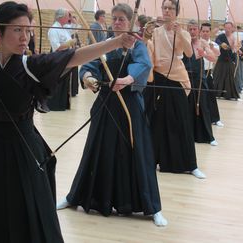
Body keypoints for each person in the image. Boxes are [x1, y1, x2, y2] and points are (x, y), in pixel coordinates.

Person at [0, 1, 136, 242]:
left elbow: (73, 57)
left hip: (23, 150)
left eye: (28, 31)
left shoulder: (31, 66)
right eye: (18, 30)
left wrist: (117, 41)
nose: (24, 37)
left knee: (29, 212)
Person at [56, 3, 167, 227]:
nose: (117, 23)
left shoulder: (136, 43)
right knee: (96, 149)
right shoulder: (105, 44)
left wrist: (127, 79)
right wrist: (87, 77)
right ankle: (74, 196)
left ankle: (153, 208)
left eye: (121, 20)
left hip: (129, 107)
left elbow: (144, 64)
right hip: (106, 104)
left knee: (139, 153)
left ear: (130, 22)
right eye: (114, 18)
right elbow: (89, 64)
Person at [145, 0, 205, 178]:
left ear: (176, 12)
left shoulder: (183, 32)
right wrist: (146, 37)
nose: (167, 11)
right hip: (159, 78)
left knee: (181, 121)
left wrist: (180, 33)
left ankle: (190, 164)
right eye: (165, 8)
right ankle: (150, 160)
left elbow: (189, 53)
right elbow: (150, 52)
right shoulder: (155, 31)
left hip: (177, 79)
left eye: (171, 8)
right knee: (156, 121)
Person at [182, 20, 218, 146]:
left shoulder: (202, 42)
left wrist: (204, 54)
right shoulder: (183, 41)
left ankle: (208, 136)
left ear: (198, 30)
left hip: (199, 79)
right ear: (187, 30)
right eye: (190, 29)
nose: (192, 32)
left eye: (194, 29)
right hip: (184, 78)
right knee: (185, 107)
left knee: (202, 106)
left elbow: (213, 57)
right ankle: (186, 134)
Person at [47, 8, 76, 110]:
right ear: (61, 17)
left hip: (66, 58)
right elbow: (56, 47)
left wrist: (72, 19)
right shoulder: (54, 29)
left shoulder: (64, 27)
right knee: (58, 82)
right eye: (67, 16)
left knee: (65, 82)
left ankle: (62, 104)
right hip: (58, 59)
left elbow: (76, 28)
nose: (69, 18)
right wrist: (68, 44)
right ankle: (55, 105)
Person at [199, 22, 223, 127]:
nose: (205, 33)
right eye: (203, 31)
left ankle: (215, 118)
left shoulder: (213, 44)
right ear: (200, 32)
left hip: (207, 72)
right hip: (197, 73)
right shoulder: (196, 42)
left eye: (207, 31)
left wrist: (211, 48)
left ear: (210, 32)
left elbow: (218, 54)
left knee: (211, 96)